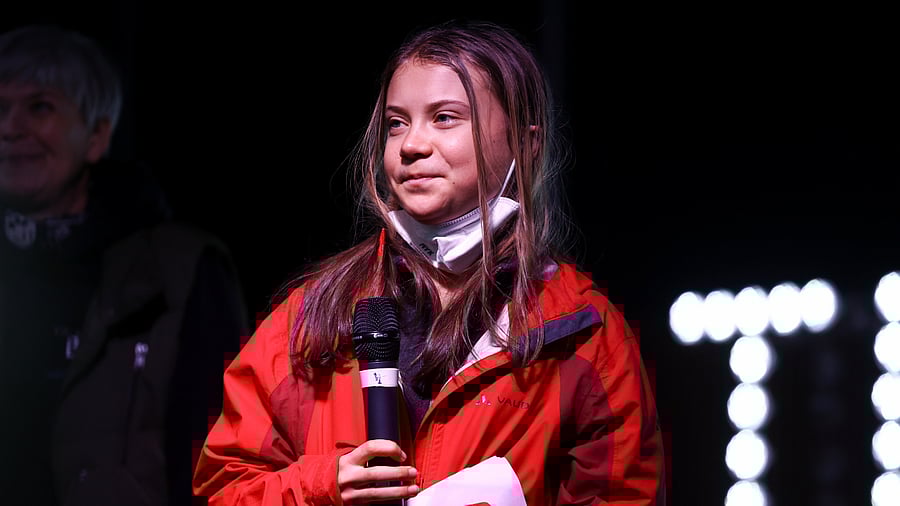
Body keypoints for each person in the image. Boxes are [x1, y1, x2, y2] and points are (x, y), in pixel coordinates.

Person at [193, 19, 665, 505]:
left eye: (444, 117)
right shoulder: (313, 315)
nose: (412, 145)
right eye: (397, 123)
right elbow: (222, 487)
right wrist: (323, 486)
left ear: (526, 144)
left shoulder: (582, 335)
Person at [0, 24, 249, 505]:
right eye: (0, 108)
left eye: (39, 106)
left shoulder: (178, 269)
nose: (10, 127)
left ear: (96, 135)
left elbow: (214, 456)